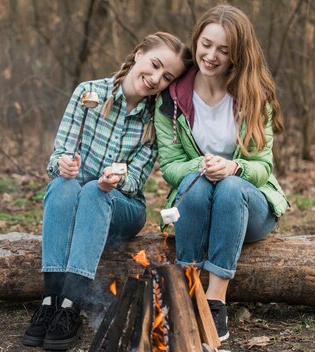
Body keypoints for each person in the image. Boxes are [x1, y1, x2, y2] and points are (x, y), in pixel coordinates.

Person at [22, 32, 192, 350]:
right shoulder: (89, 92)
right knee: (63, 187)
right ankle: (49, 302)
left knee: (93, 192)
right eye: (154, 65)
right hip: (75, 195)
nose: (156, 78)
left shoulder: (154, 119)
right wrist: (63, 164)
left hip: (121, 205)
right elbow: (59, 154)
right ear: (139, 53)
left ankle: (71, 305)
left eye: (167, 76)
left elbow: (136, 180)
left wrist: (114, 180)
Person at [154, 5, 288, 342]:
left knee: (229, 186)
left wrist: (235, 167)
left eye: (223, 50)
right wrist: (201, 165)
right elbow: (170, 168)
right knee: (195, 185)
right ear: (196, 40)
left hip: (249, 207)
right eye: (206, 44)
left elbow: (263, 166)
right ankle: (186, 289)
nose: (211, 56)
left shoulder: (254, 96)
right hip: (196, 203)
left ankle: (215, 301)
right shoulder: (172, 98)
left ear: (236, 56)